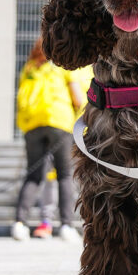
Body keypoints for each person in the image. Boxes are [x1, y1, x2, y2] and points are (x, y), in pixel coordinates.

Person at [10, 39, 91, 242]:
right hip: (59, 123)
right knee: (64, 174)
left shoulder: (29, 68)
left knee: (33, 176)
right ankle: (66, 225)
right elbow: (77, 98)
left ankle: (19, 223)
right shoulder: (62, 65)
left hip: (32, 125)